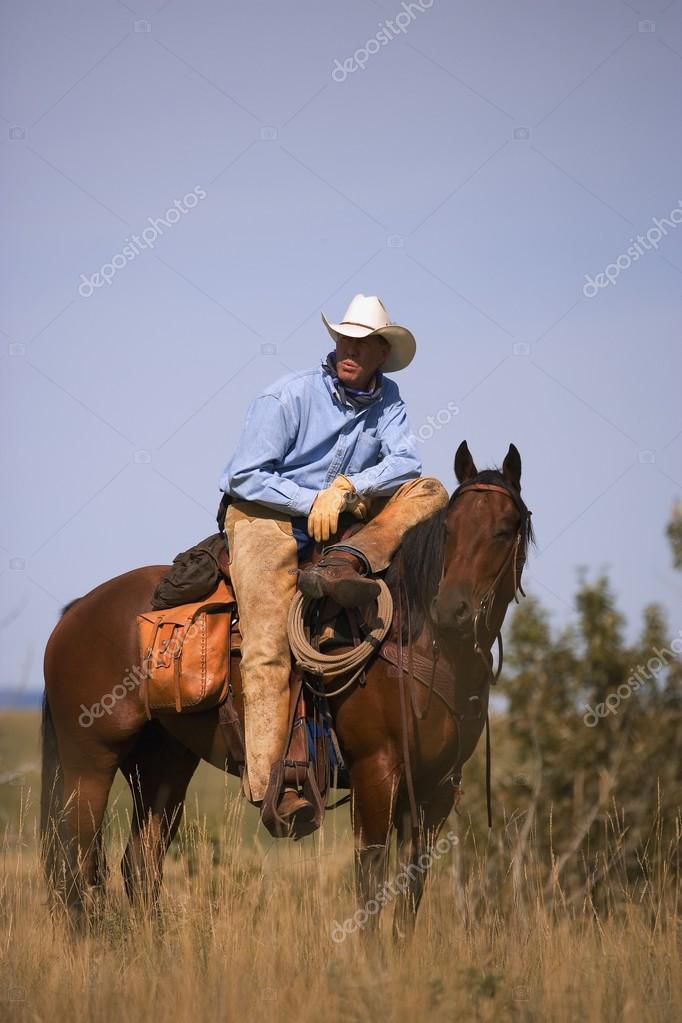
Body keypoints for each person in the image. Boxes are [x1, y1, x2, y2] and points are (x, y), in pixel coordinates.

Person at [218, 294, 448, 834]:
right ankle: (272, 783)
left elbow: (406, 463)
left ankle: (349, 563)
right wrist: (312, 499)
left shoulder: (388, 398)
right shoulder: (287, 395)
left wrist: (346, 490)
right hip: (263, 516)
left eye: (363, 343)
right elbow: (244, 476)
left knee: (433, 491)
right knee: (267, 641)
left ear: (380, 352)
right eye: (345, 339)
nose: (350, 349)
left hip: (343, 515)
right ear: (334, 341)